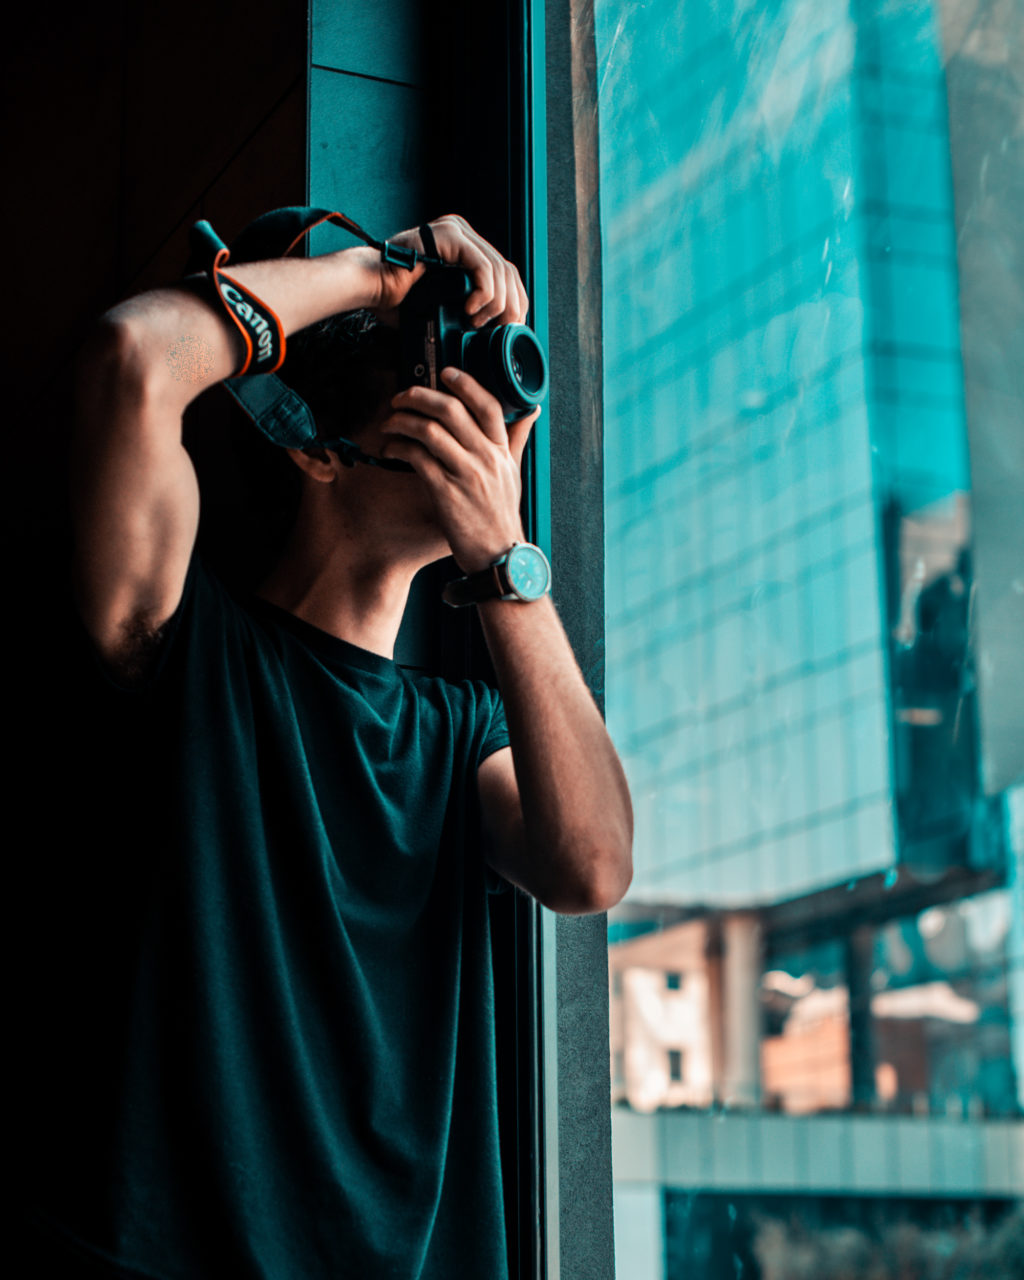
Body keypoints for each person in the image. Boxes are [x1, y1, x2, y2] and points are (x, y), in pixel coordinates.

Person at [26, 213, 633, 1277]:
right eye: (437, 393)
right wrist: (376, 279)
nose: (484, 433)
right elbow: (131, 360)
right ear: (314, 446)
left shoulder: (461, 734)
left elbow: (591, 864)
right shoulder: (189, 642)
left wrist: (506, 556)